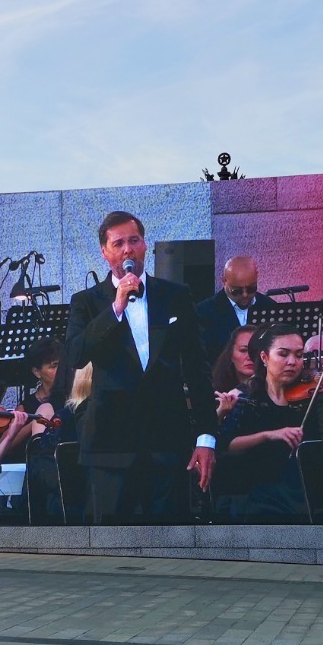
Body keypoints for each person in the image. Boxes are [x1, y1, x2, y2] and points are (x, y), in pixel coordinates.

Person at [51, 210, 218, 525]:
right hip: (109, 448)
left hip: (167, 444)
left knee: (170, 537)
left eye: (134, 240)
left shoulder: (176, 296)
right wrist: (115, 308)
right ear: (105, 252)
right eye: (118, 243)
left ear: (144, 245)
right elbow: (75, 355)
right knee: (111, 539)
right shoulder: (87, 302)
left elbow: (198, 370)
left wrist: (206, 437)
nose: (127, 249)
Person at [215, 323, 309, 521]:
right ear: (264, 358)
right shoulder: (246, 396)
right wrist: (269, 435)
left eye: (299, 355)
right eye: (283, 354)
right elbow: (226, 445)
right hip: (252, 494)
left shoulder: (310, 397)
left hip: (297, 493)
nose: (292, 362)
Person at [196, 256, 277, 361]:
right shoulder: (204, 312)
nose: (245, 295)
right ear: (224, 281)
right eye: (237, 291)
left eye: (251, 289)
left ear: (257, 277)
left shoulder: (269, 306)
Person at [210, 325, 258, 422]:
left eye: (255, 350)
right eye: (243, 350)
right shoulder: (214, 391)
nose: (250, 356)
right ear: (231, 355)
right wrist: (220, 413)